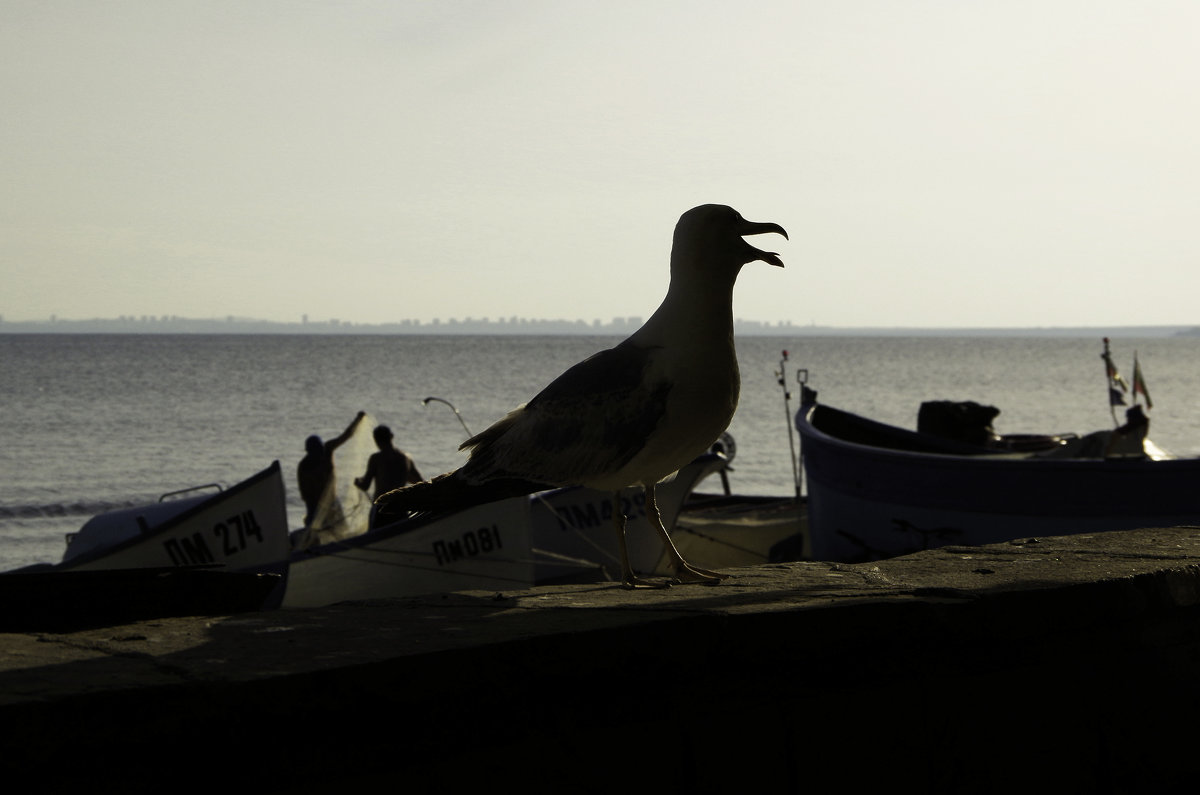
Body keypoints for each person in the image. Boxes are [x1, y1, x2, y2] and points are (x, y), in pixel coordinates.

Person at [297, 411, 367, 528]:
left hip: (331, 501)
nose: (317, 455)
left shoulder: (328, 449)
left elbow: (346, 436)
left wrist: (357, 421)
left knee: (340, 528)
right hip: (315, 505)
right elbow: (304, 491)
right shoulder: (304, 465)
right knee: (314, 532)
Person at [355, 425, 423, 500]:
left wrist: (358, 482)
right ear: (391, 436)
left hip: (381, 506)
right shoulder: (406, 458)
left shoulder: (376, 458)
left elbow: (365, 486)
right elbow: (420, 483)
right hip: (400, 507)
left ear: (375, 439)